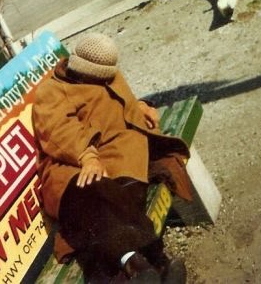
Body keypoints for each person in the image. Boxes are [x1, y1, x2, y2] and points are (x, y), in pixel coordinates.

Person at [32, 33, 191, 283]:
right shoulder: (53, 90)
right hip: (70, 167)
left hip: (118, 158)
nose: (105, 81)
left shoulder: (107, 76)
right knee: (97, 195)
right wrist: (87, 156)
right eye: (98, 77)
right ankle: (155, 263)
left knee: (118, 197)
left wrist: (140, 106)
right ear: (82, 68)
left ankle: (140, 268)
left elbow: (115, 100)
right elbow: (58, 130)